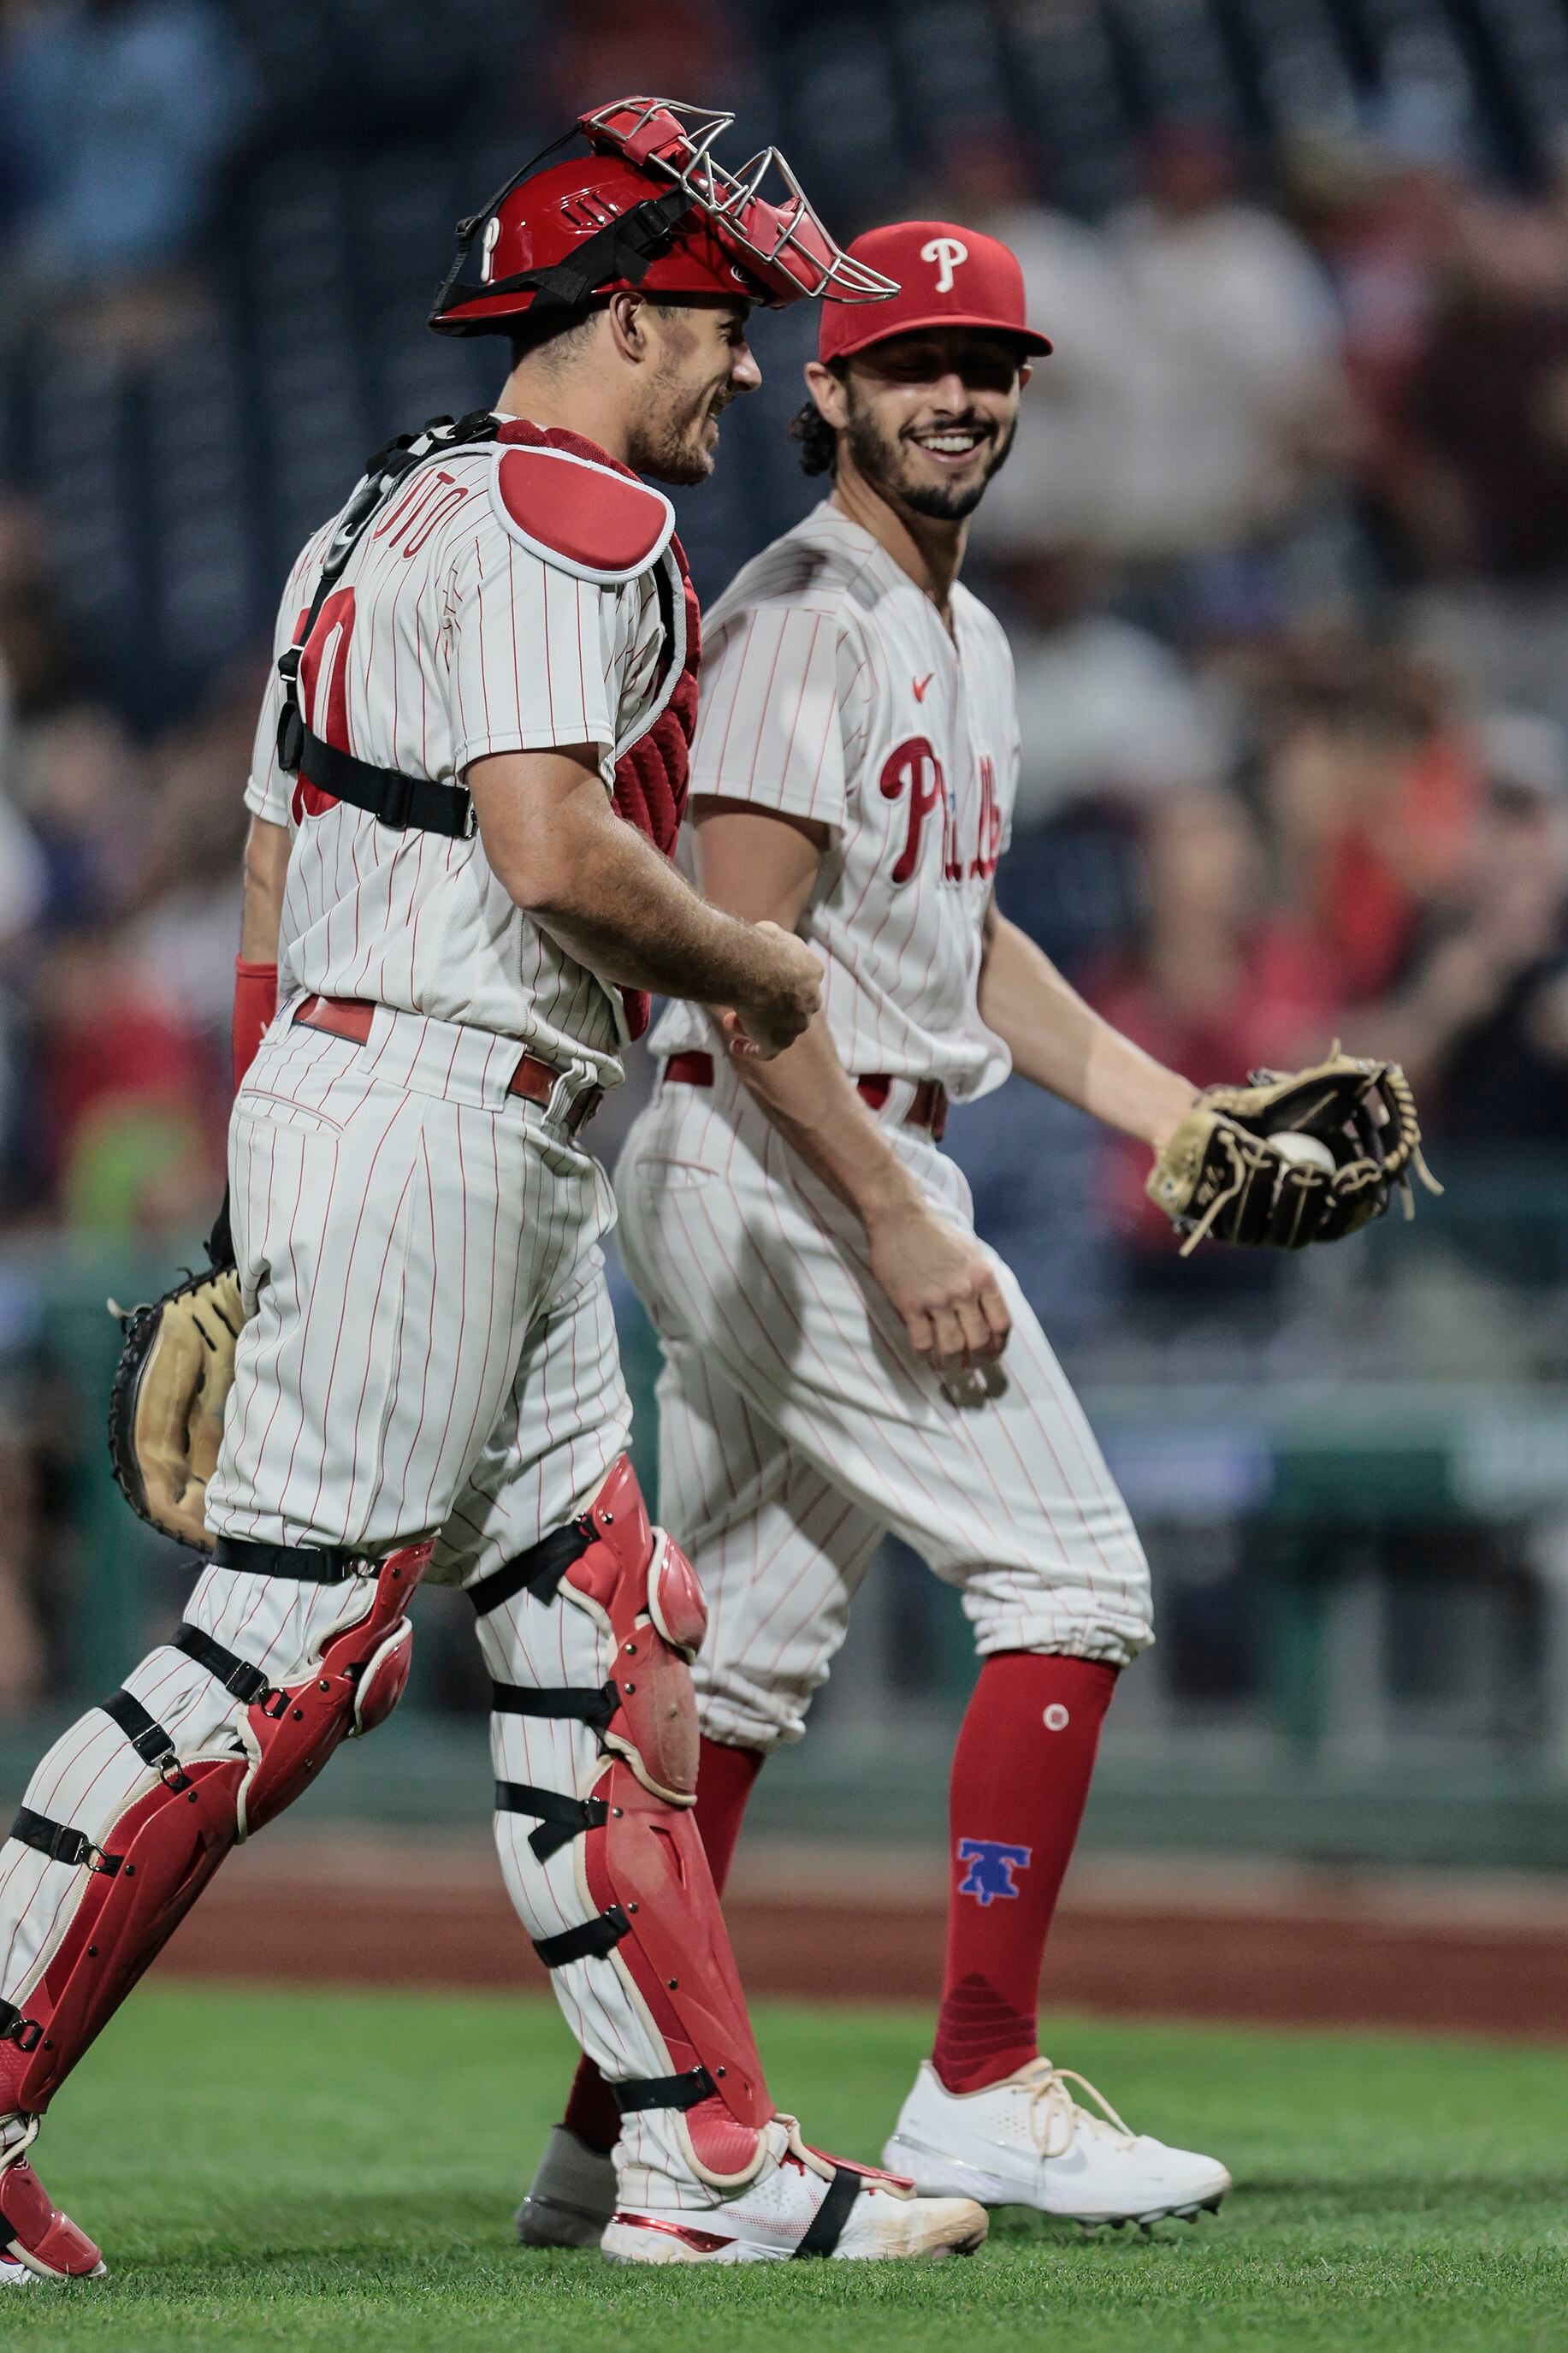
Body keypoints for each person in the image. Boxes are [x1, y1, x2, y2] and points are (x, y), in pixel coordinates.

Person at [0, 102, 991, 2279]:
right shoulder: (575, 513)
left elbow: (275, 861)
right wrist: (754, 955)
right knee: (286, 1655)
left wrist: (277, 1176)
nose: (748, 364)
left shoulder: (380, 508)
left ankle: (697, 2159)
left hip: (415, 1106)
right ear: (627, 301)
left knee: (604, 1630)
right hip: (457, 1100)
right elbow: (550, 849)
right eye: (726, 315)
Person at [519, 217, 1231, 2248]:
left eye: (988, 365)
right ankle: (982, 2077)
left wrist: (1161, 1105)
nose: (957, 394)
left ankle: (617, 2141)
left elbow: (952, 930)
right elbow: (751, 970)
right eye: (912, 360)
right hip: (779, 1144)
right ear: (822, 388)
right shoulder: (796, 618)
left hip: (806, 1142)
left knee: (734, 1664)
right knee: (1073, 1576)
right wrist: (902, 1220)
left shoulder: (964, 637)